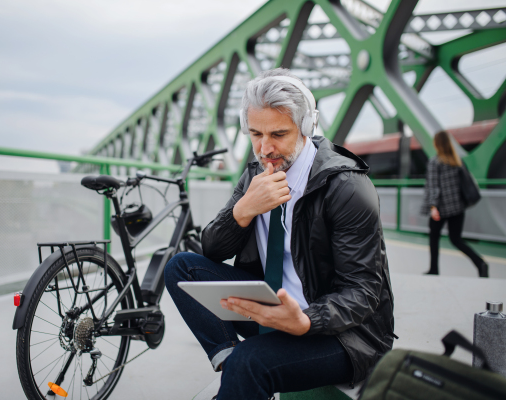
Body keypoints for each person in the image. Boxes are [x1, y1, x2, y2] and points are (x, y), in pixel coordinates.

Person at [164, 68, 395, 399]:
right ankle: (230, 365)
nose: (264, 148)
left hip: (341, 333)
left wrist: (306, 320)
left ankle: (238, 375)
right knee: (181, 267)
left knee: (251, 363)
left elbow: (363, 292)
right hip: (271, 306)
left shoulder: (346, 187)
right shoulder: (255, 176)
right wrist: (243, 210)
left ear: (306, 128)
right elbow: (211, 249)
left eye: (278, 134)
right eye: (256, 134)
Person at [420, 130, 489, 277]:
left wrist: (433, 207)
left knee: (434, 238)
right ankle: (480, 263)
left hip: (441, 208)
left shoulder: (435, 162)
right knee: (456, 239)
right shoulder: (457, 161)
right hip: (457, 208)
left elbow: (434, 187)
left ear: (437, 144)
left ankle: (434, 269)